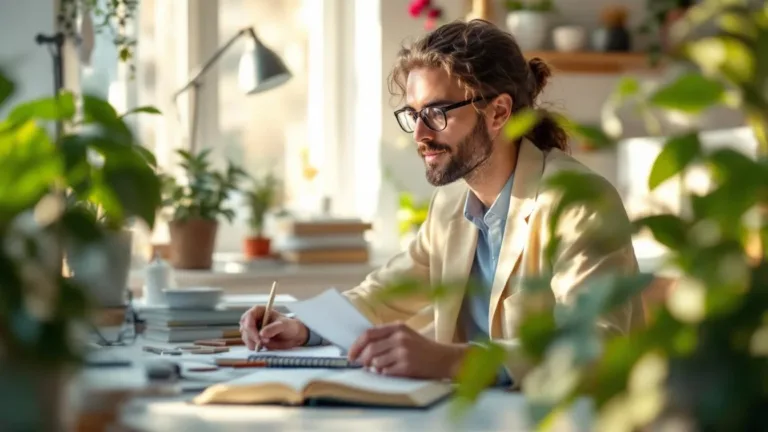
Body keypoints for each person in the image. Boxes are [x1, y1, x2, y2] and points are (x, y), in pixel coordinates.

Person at [240, 19, 644, 388]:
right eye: (413, 114)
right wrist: (302, 328)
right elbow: (384, 294)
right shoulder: (451, 204)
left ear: (498, 112)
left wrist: (449, 360)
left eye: (435, 113)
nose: (419, 134)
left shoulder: (579, 201)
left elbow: (592, 345)